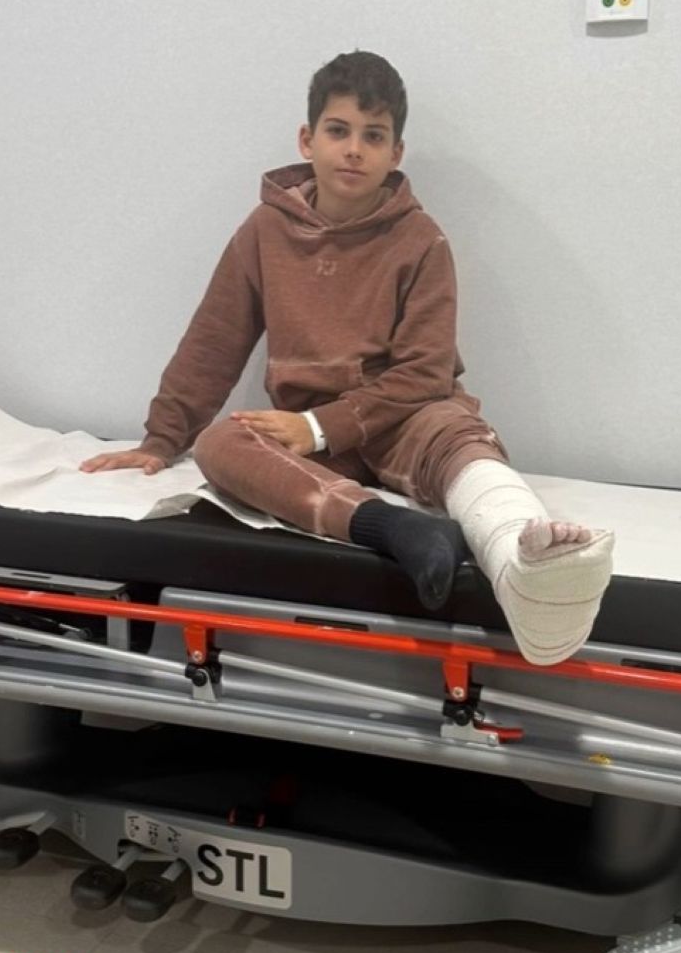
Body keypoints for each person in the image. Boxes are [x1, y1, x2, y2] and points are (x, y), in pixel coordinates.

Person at [82, 52, 613, 665]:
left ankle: (524, 554)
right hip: (315, 443)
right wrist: (160, 440)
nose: (354, 150)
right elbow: (214, 341)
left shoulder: (421, 240)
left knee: (456, 431)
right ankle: (398, 530)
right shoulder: (263, 231)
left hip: (405, 419)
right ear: (307, 140)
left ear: (396, 153)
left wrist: (318, 426)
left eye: (374, 136)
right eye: (339, 131)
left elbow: (425, 373)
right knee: (220, 444)